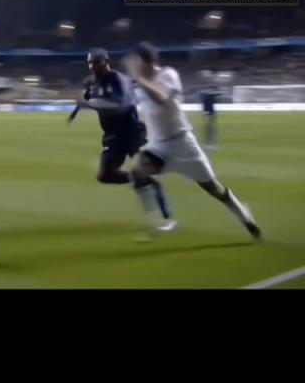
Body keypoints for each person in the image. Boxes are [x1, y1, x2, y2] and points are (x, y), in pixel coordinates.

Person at [126, 43, 262, 240]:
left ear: (149, 61)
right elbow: (147, 109)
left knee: (213, 188)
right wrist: (144, 131)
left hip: (183, 144)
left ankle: (244, 215)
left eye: (137, 62)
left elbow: (161, 98)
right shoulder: (138, 85)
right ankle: (159, 223)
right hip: (159, 145)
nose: (134, 66)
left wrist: (139, 79)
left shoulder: (167, 74)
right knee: (137, 172)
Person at [68, 49, 175, 231]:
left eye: (97, 62)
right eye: (90, 63)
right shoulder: (91, 81)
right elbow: (85, 96)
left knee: (146, 169)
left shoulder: (119, 80)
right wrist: (75, 111)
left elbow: (121, 105)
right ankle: (138, 177)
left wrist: (90, 104)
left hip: (132, 133)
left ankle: (166, 218)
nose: (93, 66)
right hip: (112, 135)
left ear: (107, 61)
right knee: (105, 175)